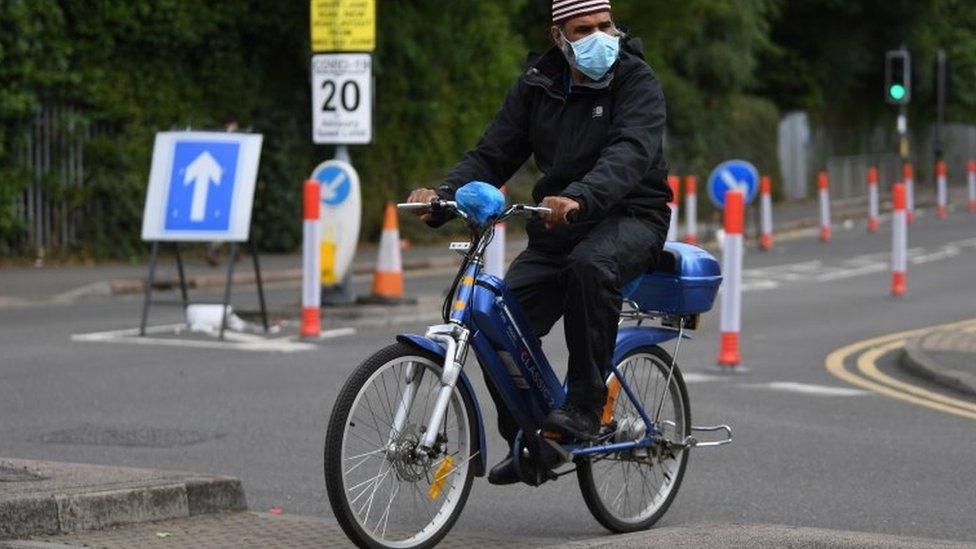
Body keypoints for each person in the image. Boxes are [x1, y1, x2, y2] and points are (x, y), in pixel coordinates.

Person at [406, 0, 670, 485]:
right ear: (558, 37)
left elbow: (630, 153)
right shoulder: (537, 84)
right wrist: (443, 197)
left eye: (605, 25)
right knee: (495, 318)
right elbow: (493, 152)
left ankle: (586, 410)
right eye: (584, 28)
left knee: (590, 269)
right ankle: (531, 438)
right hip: (558, 224)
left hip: (630, 215)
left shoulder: (637, 80)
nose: (600, 36)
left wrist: (581, 196)